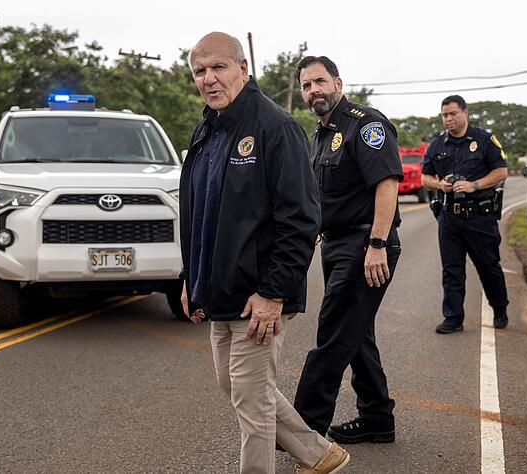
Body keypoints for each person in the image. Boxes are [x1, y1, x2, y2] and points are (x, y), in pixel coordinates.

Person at [179, 33, 349, 474]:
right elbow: (199, 214)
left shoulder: (275, 128)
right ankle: (317, 454)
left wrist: (273, 293)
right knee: (233, 386)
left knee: (252, 406)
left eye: (218, 67)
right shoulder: (206, 130)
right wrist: (189, 278)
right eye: (200, 71)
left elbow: (300, 219)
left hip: (260, 294)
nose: (209, 79)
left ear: (243, 69)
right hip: (219, 289)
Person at [292, 56, 403, 445]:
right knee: (356, 334)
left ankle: (302, 430)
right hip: (338, 242)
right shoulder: (320, 134)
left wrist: (376, 244)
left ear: (338, 83)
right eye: (306, 86)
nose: (313, 91)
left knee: (334, 333)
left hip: (365, 244)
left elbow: (386, 183)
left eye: (319, 82)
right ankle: (376, 418)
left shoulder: (365, 124)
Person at [421, 95, 509, 334]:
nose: (448, 119)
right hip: (449, 217)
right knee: (451, 270)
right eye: (444, 115)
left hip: (479, 216)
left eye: (452, 114)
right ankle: (453, 317)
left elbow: (501, 172)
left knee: (488, 266)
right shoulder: (437, 144)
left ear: (465, 113)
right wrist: (440, 186)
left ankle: (500, 308)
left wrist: (474, 185)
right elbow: (424, 178)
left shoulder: (484, 140)